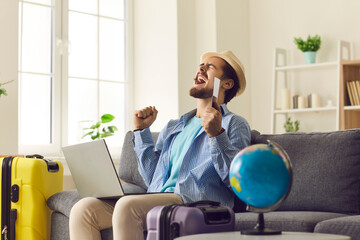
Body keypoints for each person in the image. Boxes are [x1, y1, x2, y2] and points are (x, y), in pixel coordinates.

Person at [69, 50, 251, 240]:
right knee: (83, 209)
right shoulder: (174, 126)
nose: (201, 67)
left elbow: (236, 181)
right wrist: (141, 131)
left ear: (227, 84)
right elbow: (152, 180)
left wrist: (216, 134)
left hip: (195, 201)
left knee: (127, 206)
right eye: (201, 64)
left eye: (210, 66)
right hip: (160, 200)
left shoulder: (234, 124)